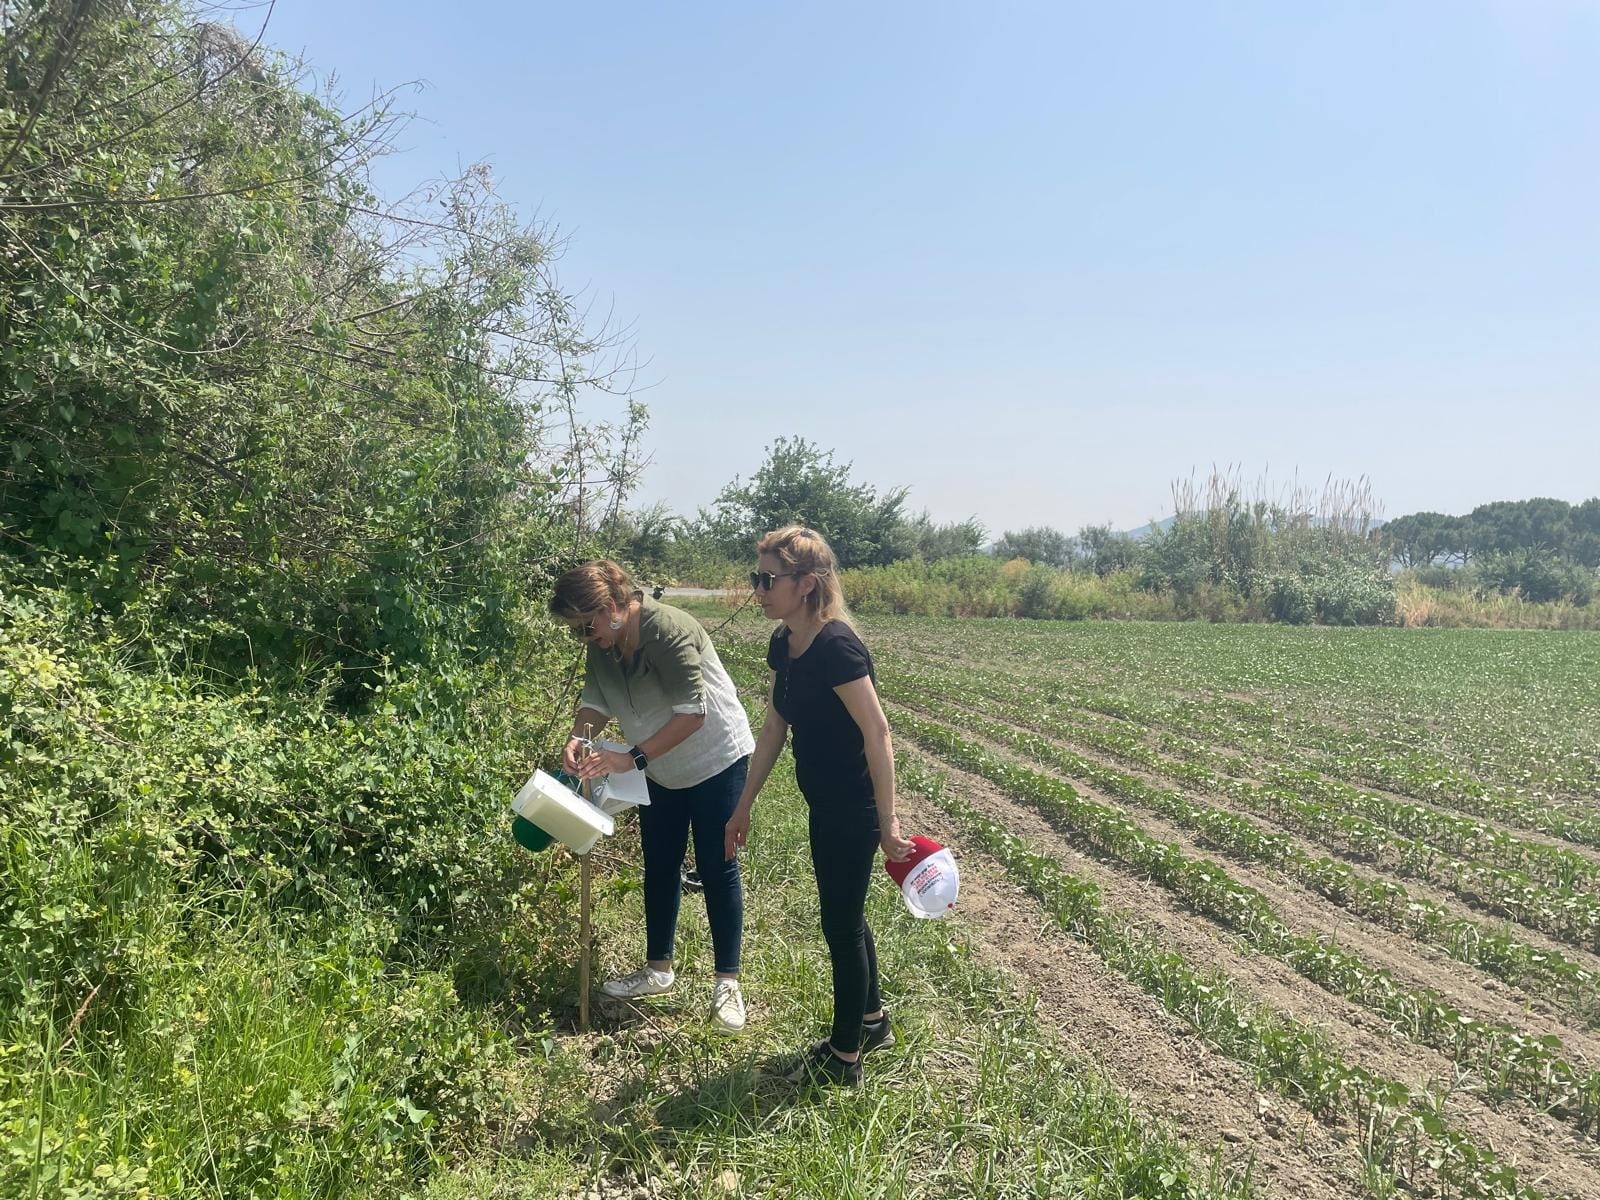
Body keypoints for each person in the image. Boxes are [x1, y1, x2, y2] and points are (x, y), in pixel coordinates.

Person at [723, 525, 915, 1086]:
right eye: (755, 577)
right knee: (846, 916)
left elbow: (878, 734)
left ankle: (845, 1056)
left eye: (767, 579)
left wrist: (888, 821)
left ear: (806, 583)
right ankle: (873, 1022)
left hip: (852, 809)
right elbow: (776, 726)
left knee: (839, 925)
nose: (757, 589)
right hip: (821, 803)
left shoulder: (836, 647)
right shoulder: (785, 643)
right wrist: (744, 805)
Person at [551, 560, 756, 1033]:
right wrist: (579, 736)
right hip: (660, 766)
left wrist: (634, 759)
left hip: (714, 759)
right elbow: (596, 702)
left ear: (612, 606)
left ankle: (727, 983)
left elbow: (693, 714)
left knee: (715, 863)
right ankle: (658, 970)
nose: (585, 637)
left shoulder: (669, 631)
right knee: (659, 862)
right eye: (577, 631)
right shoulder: (603, 645)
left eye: (587, 626)